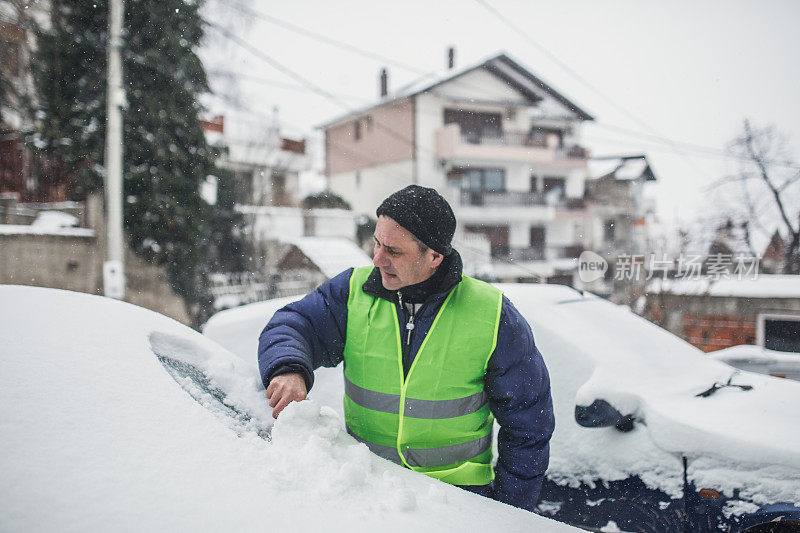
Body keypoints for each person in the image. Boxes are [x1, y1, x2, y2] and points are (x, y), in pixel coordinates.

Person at [258, 185, 554, 511]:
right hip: (368, 495)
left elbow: (529, 426)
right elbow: (292, 325)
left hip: (457, 506)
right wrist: (289, 367)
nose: (377, 258)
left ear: (434, 257)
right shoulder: (353, 292)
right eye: (376, 243)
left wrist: (509, 514)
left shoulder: (493, 314)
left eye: (394, 252)